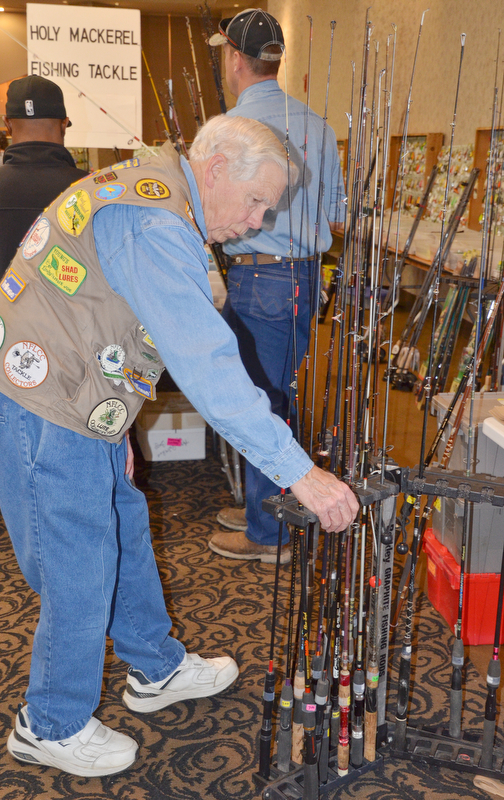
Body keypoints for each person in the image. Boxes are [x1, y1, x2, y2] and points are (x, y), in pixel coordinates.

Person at [0, 114, 359, 778]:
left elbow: (100, 313)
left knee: (123, 524)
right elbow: (207, 364)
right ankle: (49, 722)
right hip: (43, 403)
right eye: (257, 201)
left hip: (76, 399)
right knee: (77, 561)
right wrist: (300, 473)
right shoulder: (154, 223)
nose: (258, 220)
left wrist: (112, 425)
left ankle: (156, 666)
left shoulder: (158, 193)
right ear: (214, 169)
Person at [207, 9, 346, 564]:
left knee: (259, 401)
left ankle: (270, 533)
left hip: (259, 277)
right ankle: (270, 504)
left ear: (235, 59)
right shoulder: (321, 127)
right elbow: (335, 222)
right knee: (276, 395)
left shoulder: (227, 131)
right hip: (304, 278)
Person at [0, 75, 87, 313]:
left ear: (7, 124)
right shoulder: (92, 191)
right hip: (79, 346)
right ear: (64, 124)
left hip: (5, 342)